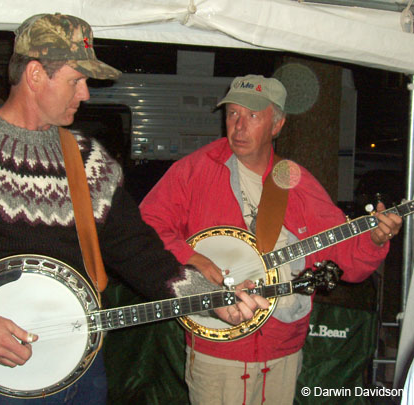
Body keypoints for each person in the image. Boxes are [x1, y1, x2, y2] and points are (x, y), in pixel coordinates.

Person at [0, 15, 268, 405]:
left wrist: (213, 297)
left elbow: (140, 253)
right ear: (35, 75)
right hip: (3, 380)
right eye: (76, 80)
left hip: (85, 372)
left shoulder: (88, 161)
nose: (85, 93)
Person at [139, 74, 403, 405]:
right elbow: (146, 229)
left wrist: (374, 240)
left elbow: (346, 258)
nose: (238, 126)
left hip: (281, 349)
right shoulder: (193, 171)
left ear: (277, 124)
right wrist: (196, 261)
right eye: (232, 113)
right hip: (218, 346)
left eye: (252, 115)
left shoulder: (294, 181)